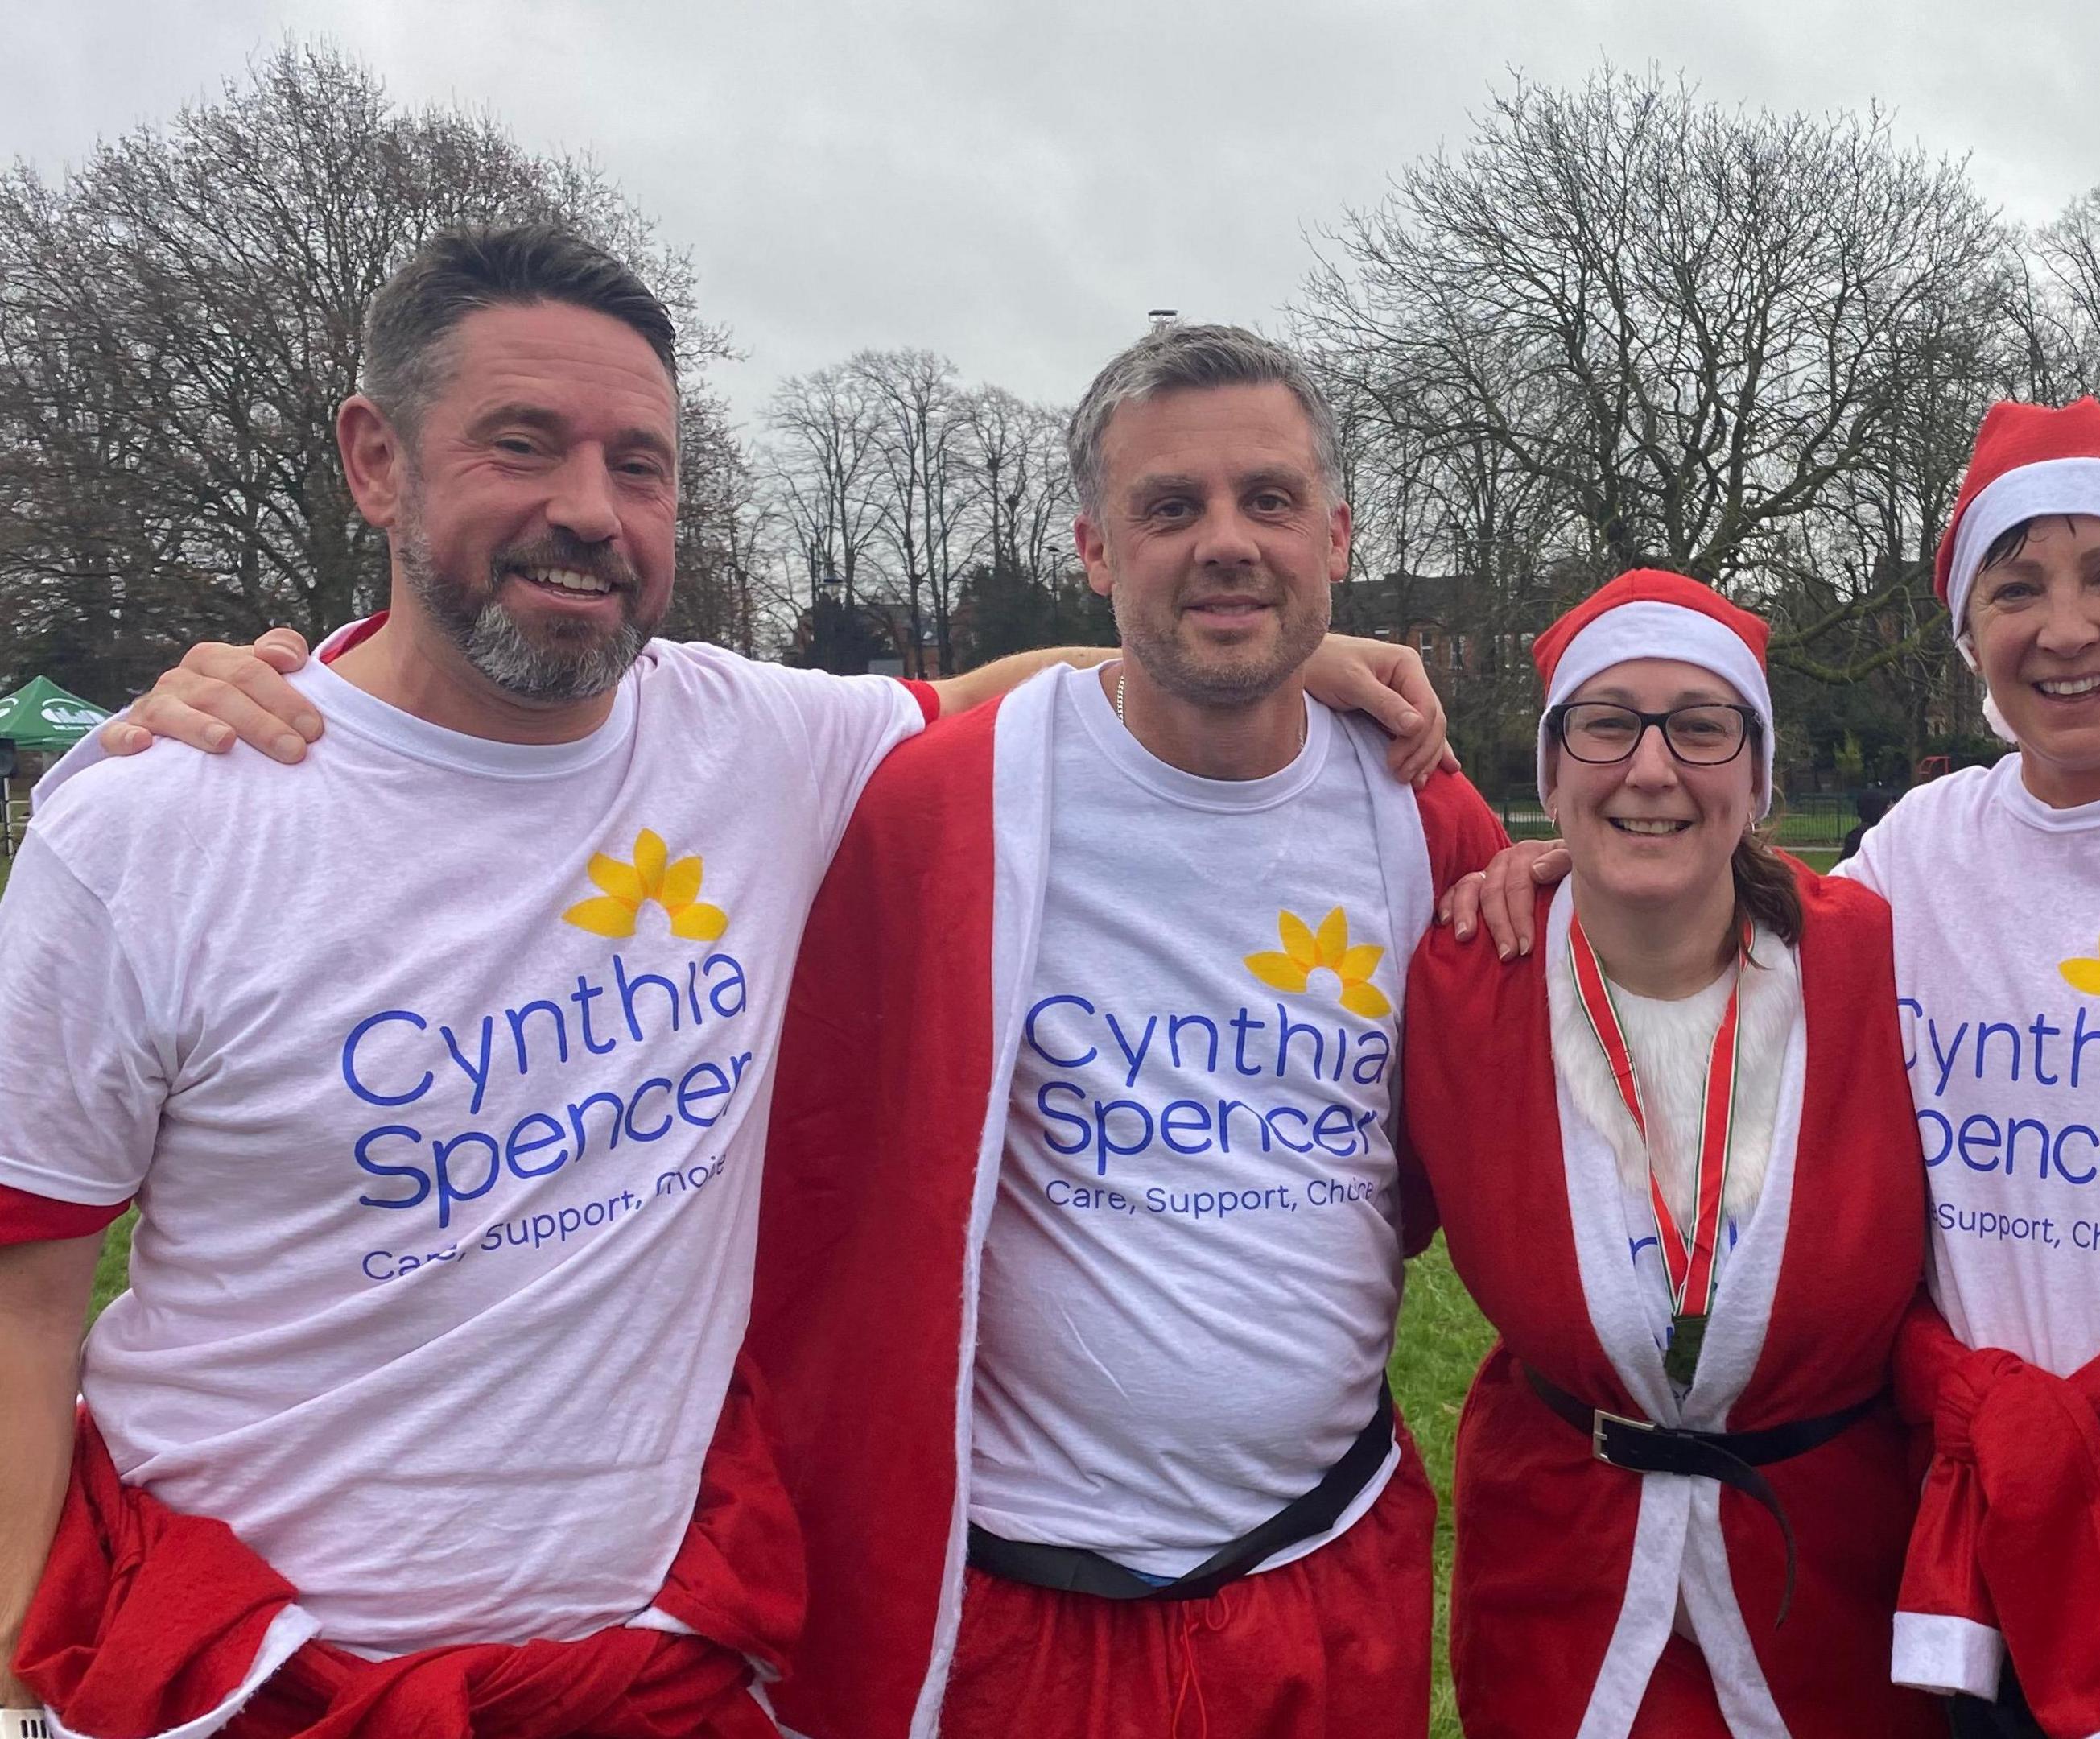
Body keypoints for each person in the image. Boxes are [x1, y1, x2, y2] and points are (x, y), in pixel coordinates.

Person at [0, 233, 1440, 1739]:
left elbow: (997, 702)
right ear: (376, 459)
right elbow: (20, 1300)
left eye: (640, 465)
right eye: (522, 445)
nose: (588, 511)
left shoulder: (753, 746)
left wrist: (1283, 648)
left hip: (662, 1661)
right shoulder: (162, 821)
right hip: (261, 1674)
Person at [1446, 404, 2100, 1739]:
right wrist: (1591, 846)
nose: (2066, 627)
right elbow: (1710, 904)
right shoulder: (1920, 853)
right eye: (2016, 586)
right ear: (1969, 626)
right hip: (1970, 1555)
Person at [729, 322, 1508, 1739]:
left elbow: (1501, 1134)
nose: (1227, 542)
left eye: (1268, 502)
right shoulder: (938, 804)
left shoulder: (1425, 812)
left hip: (1323, 1572)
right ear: (1094, 548)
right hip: (1024, 1614)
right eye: (1171, 508)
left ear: (1335, 536)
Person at [1399, 570, 1939, 1739]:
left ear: (1757, 778)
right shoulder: (1460, 977)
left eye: (1702, 726)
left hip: (1833, 1595)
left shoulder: (1880, 961)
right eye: (1605, 725)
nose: (1651, 769)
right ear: (1549, 775)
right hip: (1563, 1586)